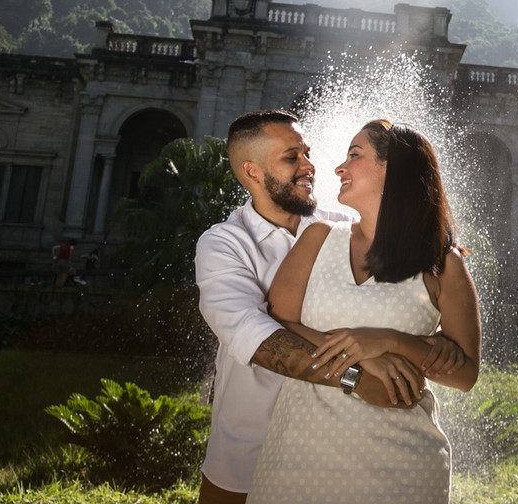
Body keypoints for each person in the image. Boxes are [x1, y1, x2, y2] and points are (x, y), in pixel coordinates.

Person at [194, 110, 463, 504]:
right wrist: (357, 370)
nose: (309, 166)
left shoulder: (344, 227)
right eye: (292, 158)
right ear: (252, 172)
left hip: (340, 442)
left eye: (307, 152)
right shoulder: (223, 244)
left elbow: (402, 295)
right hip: (250, 439)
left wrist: (428, 341)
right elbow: (255, 335)